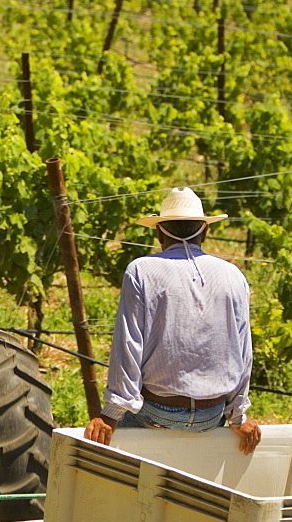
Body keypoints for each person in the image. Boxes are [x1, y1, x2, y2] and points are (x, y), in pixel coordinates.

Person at [84, 187, 261, 455]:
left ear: (159, 232)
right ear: (205, 231)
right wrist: (238, 415)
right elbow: (243, 352)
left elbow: (129, 345)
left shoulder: (141, 270)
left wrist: (111, 414)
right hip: (211, 415)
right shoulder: (233, 275)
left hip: (156, 412)